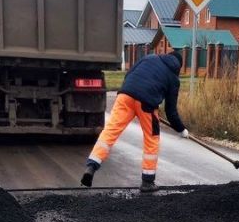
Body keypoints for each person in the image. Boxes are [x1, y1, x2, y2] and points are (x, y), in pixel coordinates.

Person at [81, 51, 189, 192]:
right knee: (152, 139)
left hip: (125, 95)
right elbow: (171, 111)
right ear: (179, 67)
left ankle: (92, 165)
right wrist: (181, 129)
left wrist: (131, 92)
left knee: (111, 131)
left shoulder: (149, 58)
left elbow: (129, 74)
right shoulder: (173, 78)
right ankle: (148, 182)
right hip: (147, 104)